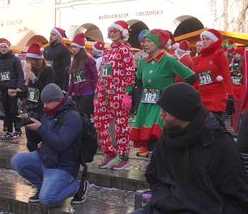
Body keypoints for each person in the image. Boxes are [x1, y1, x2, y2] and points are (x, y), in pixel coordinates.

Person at [133, 83, 248, 214]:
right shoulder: (168, 137)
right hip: (165, 207)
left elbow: (237, 198)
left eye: (166, 110)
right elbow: (154, 177)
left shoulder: (219, 143)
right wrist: (163, 199)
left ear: (180, 112)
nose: (161, 115)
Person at [11, 83, 89, 206]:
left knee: (47, 200)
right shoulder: (49, 112)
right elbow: (34, 143)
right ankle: (42, 186)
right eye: (43, 103)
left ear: (57, 101)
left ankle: (78, 187)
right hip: (46, 159)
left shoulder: (72, 117)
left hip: (62, 166)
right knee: (17, 160)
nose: (45, 106)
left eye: (47, 102)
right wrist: (28, 126)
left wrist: (40, 129)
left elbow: (61, 143)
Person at [131, 29, 196, 157]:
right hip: (146, 105)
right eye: (144, 41)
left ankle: (161, 168)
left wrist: (177, 97)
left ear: (158, 43)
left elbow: (190, 76)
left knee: (157, 140)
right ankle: (155, 167)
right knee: (148, 140)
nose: (145, 44)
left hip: (162, 107)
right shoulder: (143, 62)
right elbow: (138, 80)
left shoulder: (169, 60)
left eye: (149, 41)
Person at [94, 20, 135, 170]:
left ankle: (124, 156)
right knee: (99, 122)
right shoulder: (108, 50)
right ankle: (109, 153)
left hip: (118, 94)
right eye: (109, 30)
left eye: (114, 30)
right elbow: (102, 72)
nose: (111, 33)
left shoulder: (125, 50)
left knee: (121, 125)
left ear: (123, 33)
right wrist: (97, 93)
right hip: (103, 93)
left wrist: (127, 93)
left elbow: (130, 71)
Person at [194, 29, 234, 119]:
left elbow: (227, 76)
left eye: (207, 39)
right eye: (203, 39)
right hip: (202, 96)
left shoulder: (219, 54)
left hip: (216, 97)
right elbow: (197, 78)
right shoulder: (199, 58)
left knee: (213, 126)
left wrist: (231, 96)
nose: (204, 41)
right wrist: (194, 94)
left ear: (215, 40)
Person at [22, 42, 55, 152]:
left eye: (31, 60)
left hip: (42, 111)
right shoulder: (32, 70)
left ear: (38, 60)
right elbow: (30, 91)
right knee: (30, 143)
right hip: (31, 110)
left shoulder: (48, 71)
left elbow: (48, 91)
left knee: (41, 141)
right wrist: (17, 92)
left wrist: (35, 79)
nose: (29, 63)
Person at [0, 40, 24, 140]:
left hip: (13, 88)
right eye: (1, 47)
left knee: (14, 110)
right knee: (6, 110)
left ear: (9, 48)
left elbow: (20, 74)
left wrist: (18, 87)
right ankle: (8, 130)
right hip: (3, 89)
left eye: (5, 47)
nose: (3, 49)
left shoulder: (15, 60)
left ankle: (17, 129)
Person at [68, 33, 98, 116]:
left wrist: (96, 93)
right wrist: (68, 94)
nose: (73, 49)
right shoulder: (74, 61)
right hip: (78, 94)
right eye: (72, 47)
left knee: (84, 116)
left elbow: (95, 77)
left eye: (75, 47)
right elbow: (73, 80)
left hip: (88, 94)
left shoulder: (89, 60)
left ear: (81, 48)